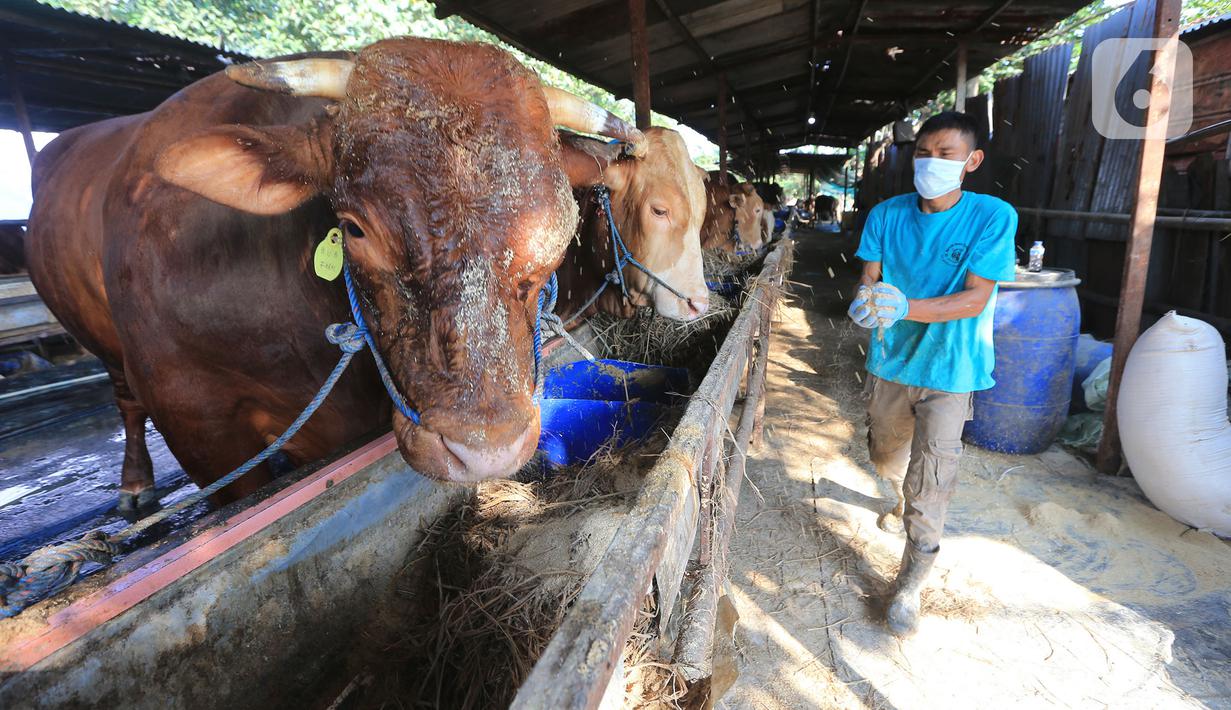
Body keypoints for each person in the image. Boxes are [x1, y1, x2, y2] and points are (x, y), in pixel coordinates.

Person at [847, 111, 1017, 636]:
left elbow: (975, 298)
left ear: (972, 161)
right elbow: (869, 281)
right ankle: (895, 491)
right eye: (924, 152)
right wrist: (864, 301)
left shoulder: (992, 216)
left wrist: (903, 307)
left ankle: (911, 583)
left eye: (946, 154)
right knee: (884, 453)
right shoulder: (886, 214)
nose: (931, 162)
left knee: (933, 480)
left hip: (952, 368)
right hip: (891, 363)